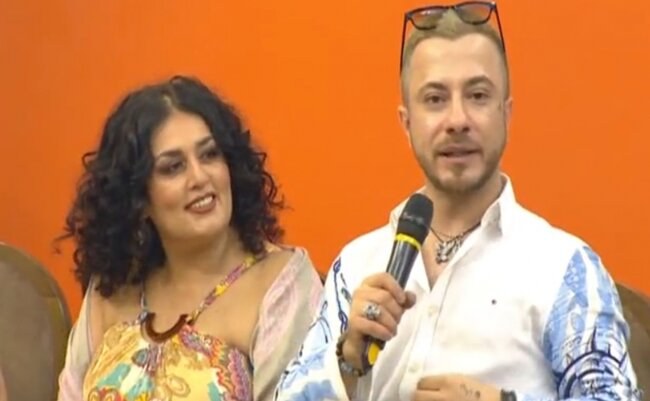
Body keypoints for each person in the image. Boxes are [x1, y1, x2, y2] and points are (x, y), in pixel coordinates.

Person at [274, 3, 642, 401]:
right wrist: (347, 362)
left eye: (478, 95)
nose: (457, 120)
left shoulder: (564, 268)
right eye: (435, 99)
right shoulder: (357, 264)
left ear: (506, 114)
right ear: (406, 124)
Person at [56, 75, 323, 401]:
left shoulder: (280, 284)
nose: (199, 177)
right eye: (173, 167)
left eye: (210, 154)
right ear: (138, 198)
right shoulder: (112, 287)